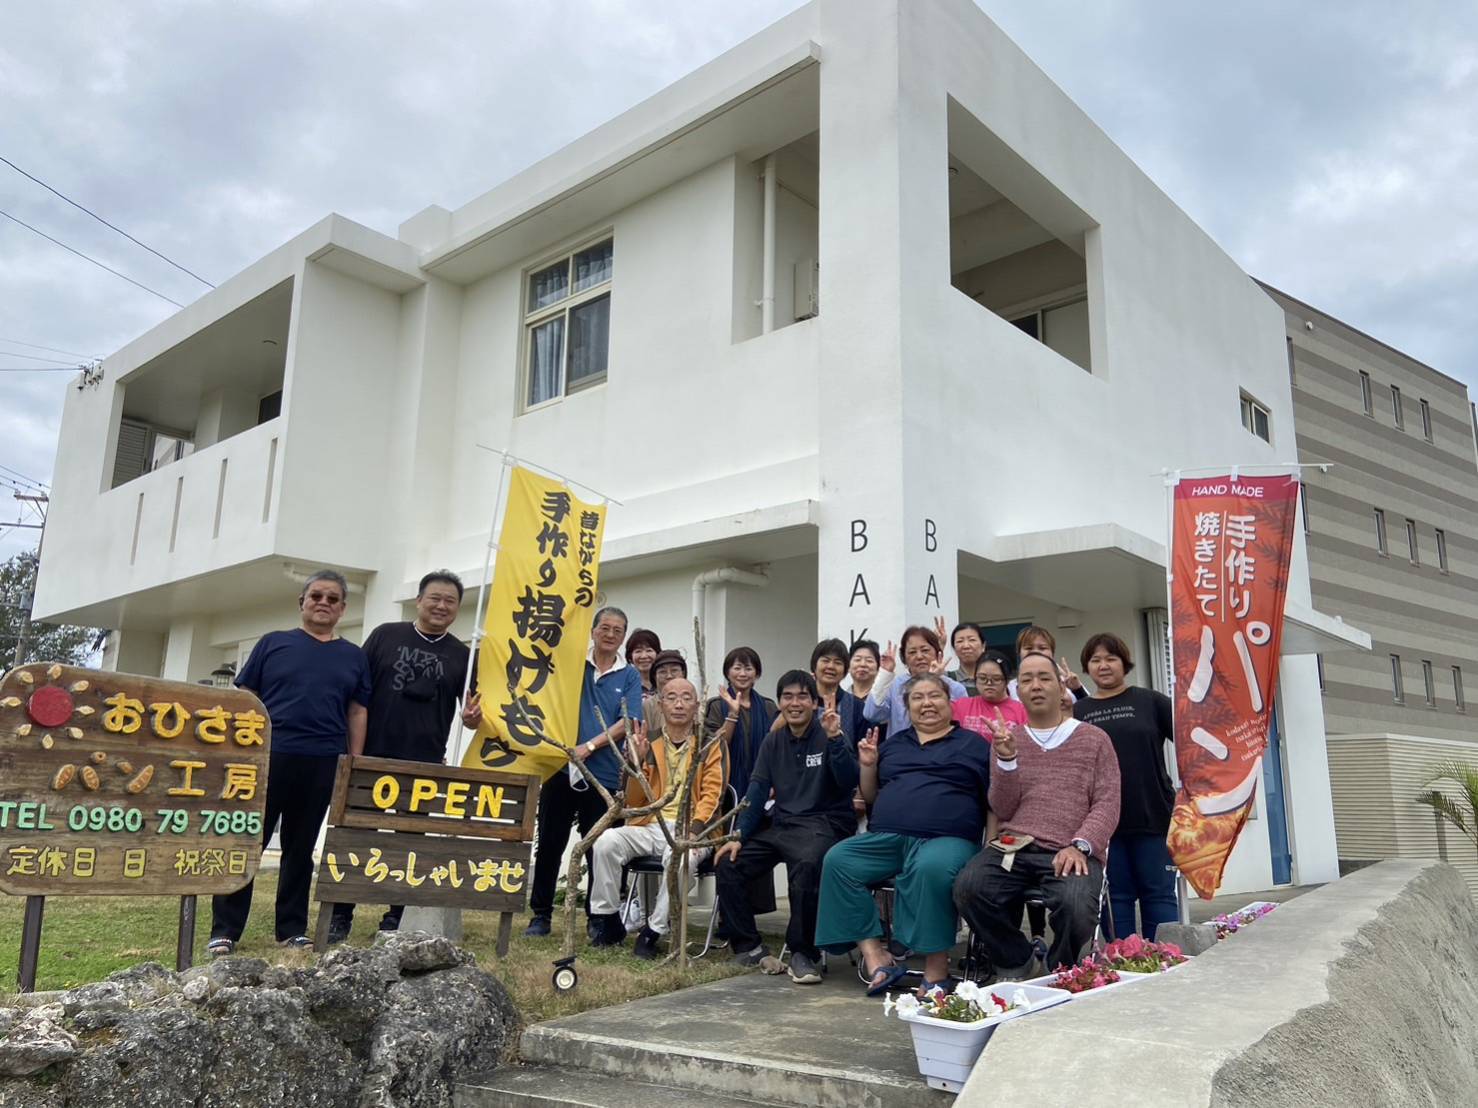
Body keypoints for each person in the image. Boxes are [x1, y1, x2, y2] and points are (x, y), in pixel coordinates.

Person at [208, 569, 371, 956]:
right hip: (267, 757)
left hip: (323, 759)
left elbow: (357, 711)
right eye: (316, 596)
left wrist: (354, 762)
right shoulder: (273, 643)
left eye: (333, 599)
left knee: (301, 847)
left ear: (342, 609)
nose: (323, 603)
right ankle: (225, 930)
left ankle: (292, 929)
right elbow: (245, 697)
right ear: (302, 602)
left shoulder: (353, 656)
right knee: (248, 841)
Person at [327, 570, 484, 943]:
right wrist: (353, 752)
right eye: (435, 598)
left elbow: (472, 712)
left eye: (450, 601)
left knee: (409, 843)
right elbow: (356, 695)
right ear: (419, 601)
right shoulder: (385, 635)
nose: (441, 606)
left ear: (458, 608)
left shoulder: (463, 656)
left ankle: (396, 916)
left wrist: (472, 719)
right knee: (357, 836)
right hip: (371, 756)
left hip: (424, 762)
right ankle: (340, 915)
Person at [815, 674, 992, 995]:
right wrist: (868, 765)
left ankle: (936, 970)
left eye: (934, 696)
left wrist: (990, 848)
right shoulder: (893, 744)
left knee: (930, 868)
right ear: (907, 707)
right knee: (839, 860)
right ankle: (876, 955)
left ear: (950, 702)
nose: (927, 703)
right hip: (890, 837)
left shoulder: (975, 745)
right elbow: (871, 796)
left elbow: (993, 802)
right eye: (917, 698)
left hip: (948, 839)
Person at [953, 652, 1121, 978]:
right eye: (1027, 679)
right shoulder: (1008, 739)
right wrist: (1007, 760)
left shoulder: (1094, 739)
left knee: (1076, 904)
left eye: (1044, 678)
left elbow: (1108, 802)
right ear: (1018, 692)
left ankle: (1059, 969)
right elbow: (1003, 808)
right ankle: (1017, 959)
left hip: (1070, 848)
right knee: (968, 887)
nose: (1036, 685)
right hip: (1014, 846)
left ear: (1061, 688)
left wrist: (1081, 845)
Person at [715, 671, 858, 984]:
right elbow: (756, 791)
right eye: (788, 696)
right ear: (779, 702)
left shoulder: (830, 733)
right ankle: (749, 946)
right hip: (783, 823)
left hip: (824, 824)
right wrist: (739, 835)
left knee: (807, 865)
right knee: (728, 861)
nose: (795, 703)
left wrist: (835, 738)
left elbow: (849, 780)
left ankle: (802, 953)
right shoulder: (773, 741)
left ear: (814, 703)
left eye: (802, 696)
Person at [524, 607, 644, 937]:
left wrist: (589, 746)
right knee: (550, 843)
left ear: (623, 637)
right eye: (604, 627)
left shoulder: (629, 675)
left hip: (604, 775)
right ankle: (541, 915)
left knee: (599, 848)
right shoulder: (573, 663)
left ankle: (598, 918)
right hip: (560, 769)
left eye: (617, 630)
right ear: (592, 631)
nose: (610, 634)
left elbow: (628, 721)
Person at [588, 677, 726, 959]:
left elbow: (714, 794)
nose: (679, 704)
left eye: (686, 698)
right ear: (660, 705)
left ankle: (653, 931)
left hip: (693, 829)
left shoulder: (711, 743)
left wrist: (694, 831)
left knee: (680, 858)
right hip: (650, 824)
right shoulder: (648, 742)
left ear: (697, 705)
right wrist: (635, 763)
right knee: (606, 842)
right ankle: (608, 920)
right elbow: (634, 801)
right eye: (671, 697)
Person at [1073, 632, 1177, 940]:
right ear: (1087, 667)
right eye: (1095, 660)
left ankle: (1166, 960)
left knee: (1159, 894)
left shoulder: (1151, 702)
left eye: (1111, 658)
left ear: (1124, 663)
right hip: (1102, 823)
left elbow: (1191, 742)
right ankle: (1122, 960)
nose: (1103, 665)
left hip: (1152, 814)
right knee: (1114, 897)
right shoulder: (1078, 713)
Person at [862, 626, 966, 735]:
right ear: (904, 658)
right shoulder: (896, 685)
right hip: (902, 745)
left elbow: (961, 726)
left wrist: (932, 680)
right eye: (912, 652)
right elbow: (871, 714)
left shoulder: (956, 688)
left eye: (925, 650)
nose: (919, 656)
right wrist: (885, 674)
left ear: (938, 653)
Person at [703, 647, 775, 803]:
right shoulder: (716, 705)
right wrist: (732, 715)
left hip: (762, 785)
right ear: (727, 673)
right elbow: (716, 746)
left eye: (748, 669)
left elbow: (776, 747)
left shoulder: (768, 707)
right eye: (737, 668)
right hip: (724, 785)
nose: (743, 674)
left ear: (757, 674)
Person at [1007, 625, 1088, 706]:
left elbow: (1089, 710)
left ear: (1052, 653)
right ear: (1019, 653)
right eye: (1029, 648)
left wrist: (1078, 690)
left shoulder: (1069, 682)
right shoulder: (1009, 688)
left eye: (1042, 648)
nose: (1035, 652)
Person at [952, 650, 1028, 737]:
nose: (989, 683)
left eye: (996, 679)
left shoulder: (1021, 711)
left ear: (1007, 680)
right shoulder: (961, 705)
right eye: (982, 678)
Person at [643, 648, 688, 734]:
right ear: (655, 676)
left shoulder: (692, 703)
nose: (669, 676)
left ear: (683, 673)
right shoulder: (648, 705)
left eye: (674, 670)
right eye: (663, 672)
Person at [946, 622, 987, 697]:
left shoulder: (994, 680)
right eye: (960, 641)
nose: (966, 646)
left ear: (983, 646)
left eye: (972, 640)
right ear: (954, 648)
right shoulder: (946, 679)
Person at [626, 629, 662, 698]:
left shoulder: (665, 683)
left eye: (649, 650)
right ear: (630, 657)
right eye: (638, 651)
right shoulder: (625, 686)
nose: (644, 656)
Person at [847, 639, 882, 704]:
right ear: (848, 666)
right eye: (857, 660)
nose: (862, 664)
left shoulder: (885, 699)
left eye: (869, 661)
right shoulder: (840, 699)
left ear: (878, 668)